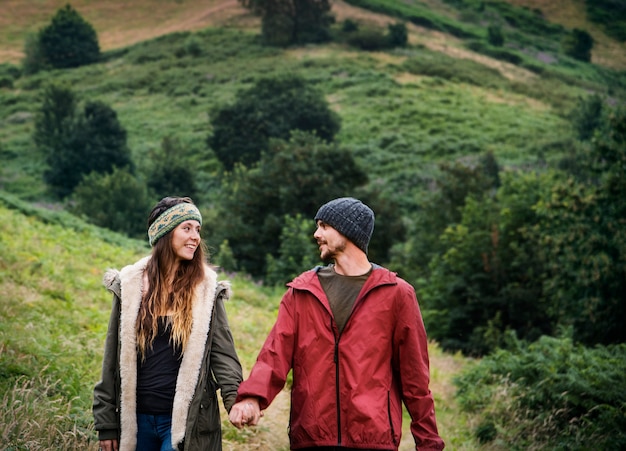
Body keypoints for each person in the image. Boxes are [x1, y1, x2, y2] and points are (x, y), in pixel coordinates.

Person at [229, 197, 445, 450]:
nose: (316, 234)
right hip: (312, 437)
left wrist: (428, 442)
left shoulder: (396, 294)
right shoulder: (302, 292)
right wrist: (252, 398)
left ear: (347, 230)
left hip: (373, 439)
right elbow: (274, 354)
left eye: (324, 226)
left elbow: (415, 377)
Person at [93, 196, 243, 451]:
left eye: (198, 229)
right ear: (163, 234)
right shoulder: (129, 286)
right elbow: (112, 358)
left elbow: (223, 355)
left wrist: (236, 400)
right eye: (186, 228)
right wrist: (107, 421)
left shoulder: (206, 290)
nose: (195, 236)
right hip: (137, 421)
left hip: (186, 421)